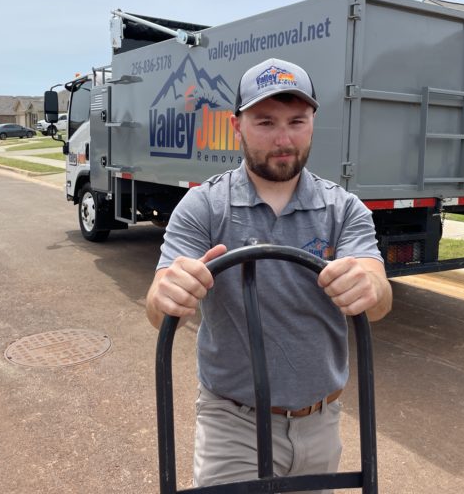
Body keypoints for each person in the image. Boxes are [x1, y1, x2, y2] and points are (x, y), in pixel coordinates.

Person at [146, 57, 392, 492]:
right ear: (236, 126)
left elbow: (378, 295)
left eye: (297, 121)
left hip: (322, 421)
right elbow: (158, 305)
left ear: (313, 122)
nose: (283, 138)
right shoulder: (204, 206)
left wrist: (368, 286)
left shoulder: (344, 209)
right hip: (233, 424)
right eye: (265, 122)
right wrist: (168, 292)